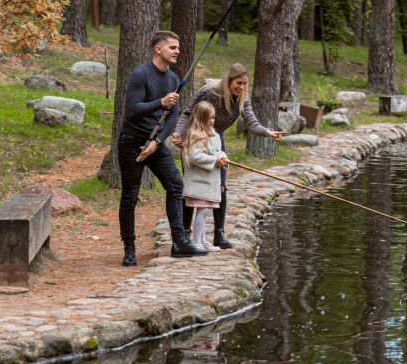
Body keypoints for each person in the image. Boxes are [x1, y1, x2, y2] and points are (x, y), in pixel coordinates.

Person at [118, 31, 207, 266]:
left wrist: (157, 142)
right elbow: (132, 109)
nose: (177, 51)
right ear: (158, 49)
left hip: (155, 144)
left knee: (176, 186)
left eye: (178, 47)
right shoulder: (140, 74)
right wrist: (160, 102)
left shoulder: (174, 79)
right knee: (130, 197)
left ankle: (179, 241)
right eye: (173, 47)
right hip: (132, 143)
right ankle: (129, 249)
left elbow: (172, 118)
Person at [173, 63, 283, 249]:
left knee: (220, 187)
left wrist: (268, 132)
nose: (241, 87)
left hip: (216, 142)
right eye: (238, 83)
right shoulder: (209, 92)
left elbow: (252, 124)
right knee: (192, 190)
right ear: (228, 80)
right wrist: (178, 134)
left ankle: (218, 234)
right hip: (196, 140)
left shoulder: (243, 99)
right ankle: (185, 235)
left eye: (245, 83)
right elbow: (187, 113)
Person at [180, 101, 229, 252]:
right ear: (200, 118)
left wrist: (222, 157)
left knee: (205, 209)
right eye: (208, 118)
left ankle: (202, 240)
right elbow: (195, 156)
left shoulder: (214, 134)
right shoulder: (196, 135)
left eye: (213, 117)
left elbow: (217, 151)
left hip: (209, 181)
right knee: (202, 210)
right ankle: (197, 242)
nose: (212, 121)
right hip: (199, 181)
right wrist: (215, 160)